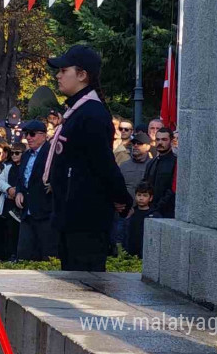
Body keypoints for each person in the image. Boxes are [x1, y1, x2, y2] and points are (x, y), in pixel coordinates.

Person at [44, 45, 132, 272]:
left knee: (84, 286)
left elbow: (103, 163)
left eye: (64, 70)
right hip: (71, 216)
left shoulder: (92, 113)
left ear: (82, 75)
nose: (58, 75)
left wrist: (122, 198)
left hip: (86, 219)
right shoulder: (77, 111)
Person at [14, 119, 57, 261]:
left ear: (43, 135)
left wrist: (53, 184)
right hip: (27, 211)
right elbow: (22, 178)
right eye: (26, 134)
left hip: (45, 211)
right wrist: (19, 191)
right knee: (23, 253)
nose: (28, 138)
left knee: (47, 254)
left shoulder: (52, 153)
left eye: (32, 134)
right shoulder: (26, 155)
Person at [143, 127, 177, 218]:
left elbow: (172, 189)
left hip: (167, 212)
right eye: (158, 139)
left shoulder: (176, 163)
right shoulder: (151, 163)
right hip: (149, 210)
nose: (160, 142)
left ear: (171, 141)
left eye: (164, 139)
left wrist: (157, 208)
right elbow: (145, 184)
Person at [124, 182, 160, 257]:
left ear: (150, 198)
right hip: (130, 250)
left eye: (145, 195)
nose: (141, 198)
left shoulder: (155, 216)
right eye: (139, 195)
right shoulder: (131, 213)